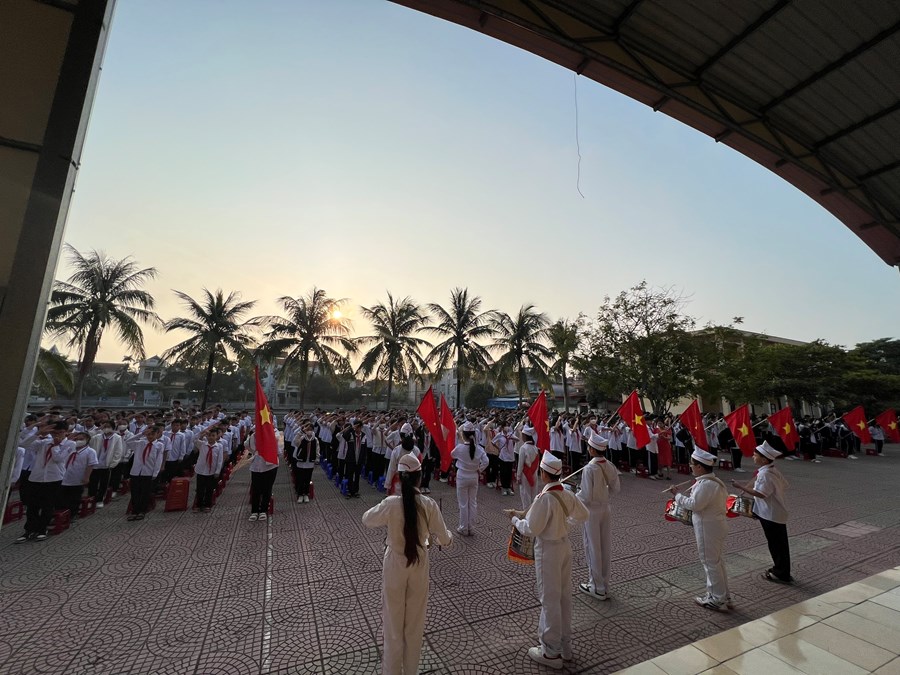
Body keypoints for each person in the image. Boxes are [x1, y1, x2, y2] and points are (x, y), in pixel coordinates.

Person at [362, 453, 452, 675]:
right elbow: (444, 538)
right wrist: (445, 538)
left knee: (392, 624)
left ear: (399, 479)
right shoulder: (429, 504)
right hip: (419, 562)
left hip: (394, 562)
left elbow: (367, 519)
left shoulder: (391, 504)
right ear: (420, 478)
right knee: (414, 624)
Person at [505, 451, 588, 670]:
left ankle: (550, 652)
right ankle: (565, 647)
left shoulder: (545, 498)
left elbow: (530, 529)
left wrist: (514, 520)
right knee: (564, 597)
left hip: (548, 550)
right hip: (564, 547)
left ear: (543, 473)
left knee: (550, 600)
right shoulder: (566, 493)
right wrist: (566, 525)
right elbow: (583, 514)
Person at [669, 449, 731, 611]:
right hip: (715, 525)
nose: (690, 466)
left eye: (692, 464)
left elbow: (695, 505)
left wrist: (677, 495)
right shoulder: (713, 482)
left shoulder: (706, 484)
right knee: (716, 561)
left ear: (700, 467)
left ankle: (716, 598)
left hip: (708, 527)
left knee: (710, 562)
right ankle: (723, 595)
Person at [732, 441, 793, 584]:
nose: (753, 457)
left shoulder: (765, 474)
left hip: (771, 515)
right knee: (780, 545)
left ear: (764, 459)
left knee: (776, 545)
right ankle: (782, 570)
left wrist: (740, 486)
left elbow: (760, 493)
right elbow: (785, 485)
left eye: (755, 455)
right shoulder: (772, 470)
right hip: (775, 512)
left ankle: (780, 573)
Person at [577, 434, 620, 600]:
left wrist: (571, 496)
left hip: (592, 511)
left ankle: (596, 586)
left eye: (589, 447)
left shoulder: (589, 468)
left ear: (593, 450)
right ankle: (604, 584)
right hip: (605, 508)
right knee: (604, 546)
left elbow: (585, 496)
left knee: (592, 547)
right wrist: (603, 493)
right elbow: (616, 488)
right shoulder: (609, 465)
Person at [18, 421, 72, 542]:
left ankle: (42, 529)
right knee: (32, 505)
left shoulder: (70, 444)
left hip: (54, 478)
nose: (57, 435)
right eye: (54, 433)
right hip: (36, 477)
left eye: (60, 432)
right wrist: (38, 433)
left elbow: (58, 458)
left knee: (47, 505)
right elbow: (23, 444)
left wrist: (56, 446)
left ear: (66, 432)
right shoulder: (44, 442)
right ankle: (29, 529)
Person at [450, 421, 488, 536]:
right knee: (472, 502)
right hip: (474, 476)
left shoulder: (460, 448)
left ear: (464, 434)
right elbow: (486, 461)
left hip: (462, 476)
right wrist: (479, 469)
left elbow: (452, 455)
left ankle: (463, 527)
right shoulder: (479, 449)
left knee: (463, 503)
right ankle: (471, 527)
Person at [125, 424, 165, 521]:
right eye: (148, 434)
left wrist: (155, 473)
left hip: (148, 472)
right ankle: (134, 511)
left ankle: (142, 511)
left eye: (153, 434)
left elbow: (158, 460)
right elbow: (128, 441)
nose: (150, 436)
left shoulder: (159, 445)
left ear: (157, 434)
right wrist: (141, 434)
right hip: (136, 472)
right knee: (135, 492)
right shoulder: (140, 443)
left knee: (145, 492)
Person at [58, 432, 98, 519]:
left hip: (77, 478)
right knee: (62, 497)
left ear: (87, 440)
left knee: (74, 498)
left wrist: (87, 477)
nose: (78, 441)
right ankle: (63, 513)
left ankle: (73, 514)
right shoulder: (69, 449)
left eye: (81, 439)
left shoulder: (90, 451)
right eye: (76, 439)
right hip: (64, 477)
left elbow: (90, 465)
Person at [88, 421, 123, 508]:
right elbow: (89, 438)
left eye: (109, 426)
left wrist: (113, 464)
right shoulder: (97, 437)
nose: (106, 428)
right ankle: (91, 499)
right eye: (105, 426)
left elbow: (118, 452)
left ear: (113, 428)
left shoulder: (117, 438)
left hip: (107, 464)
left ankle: (100, 499)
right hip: (96, 464)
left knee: (104, 483)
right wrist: (98, 429)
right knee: (93, 483)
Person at [249, 429, 279, 519]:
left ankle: (263, 510)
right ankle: (254, 511)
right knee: (256, 489)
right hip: (256, 466)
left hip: (270, 465)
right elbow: (249, 446)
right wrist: (255, 435)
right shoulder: (254, 435)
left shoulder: (274, 435)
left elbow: (278, 451)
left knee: (267, 488)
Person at [194, 427, 224, 513]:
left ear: (217, 436)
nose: (211, 437)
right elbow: (194, 439)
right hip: (201, 470)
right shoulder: (202, 444)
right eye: (209, 435)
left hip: (212, 471)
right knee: (200, 489)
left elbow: (220, 460)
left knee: (209, 489)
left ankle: (207, 505)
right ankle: (199, 505)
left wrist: (217, 471)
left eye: (213, 435)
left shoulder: (219, 446)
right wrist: (202, 434)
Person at [292, 423, 318, 503]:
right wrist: (301, 432)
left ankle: (306, 494)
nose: (309, 431)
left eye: (311, 430)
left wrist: (317, 459)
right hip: (301, 462)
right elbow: (295, 443)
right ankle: (300, 494)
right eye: (307, 430)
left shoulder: (315, 439)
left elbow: (317, 450)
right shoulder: (302, 438)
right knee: (300, 479)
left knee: (307, 479)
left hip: (310, 463)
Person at [516, 426, 540, 510]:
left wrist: (518, 476)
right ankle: (533, 512)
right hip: (534, 473)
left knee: (525, 494)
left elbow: (520, 464)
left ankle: (526, 514)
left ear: (525, 436)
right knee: (533, 493)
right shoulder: (535, 448)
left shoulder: (523, 448)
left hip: (525, 474)